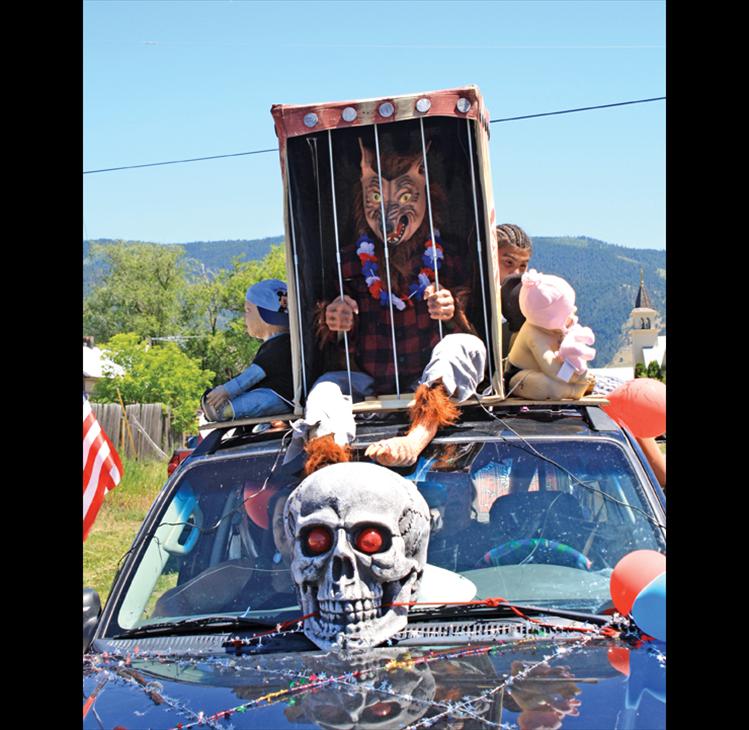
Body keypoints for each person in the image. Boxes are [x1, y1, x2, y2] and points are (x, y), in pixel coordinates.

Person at [201, 279, 293, 421]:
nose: (245, 317)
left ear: (264, 315)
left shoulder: (278, 345)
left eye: (247, 310)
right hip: (279, 393)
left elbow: (253, 375)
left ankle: (224, 410)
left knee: (256, 401)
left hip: (280, 396)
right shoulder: (283, 343)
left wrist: (226, 390)